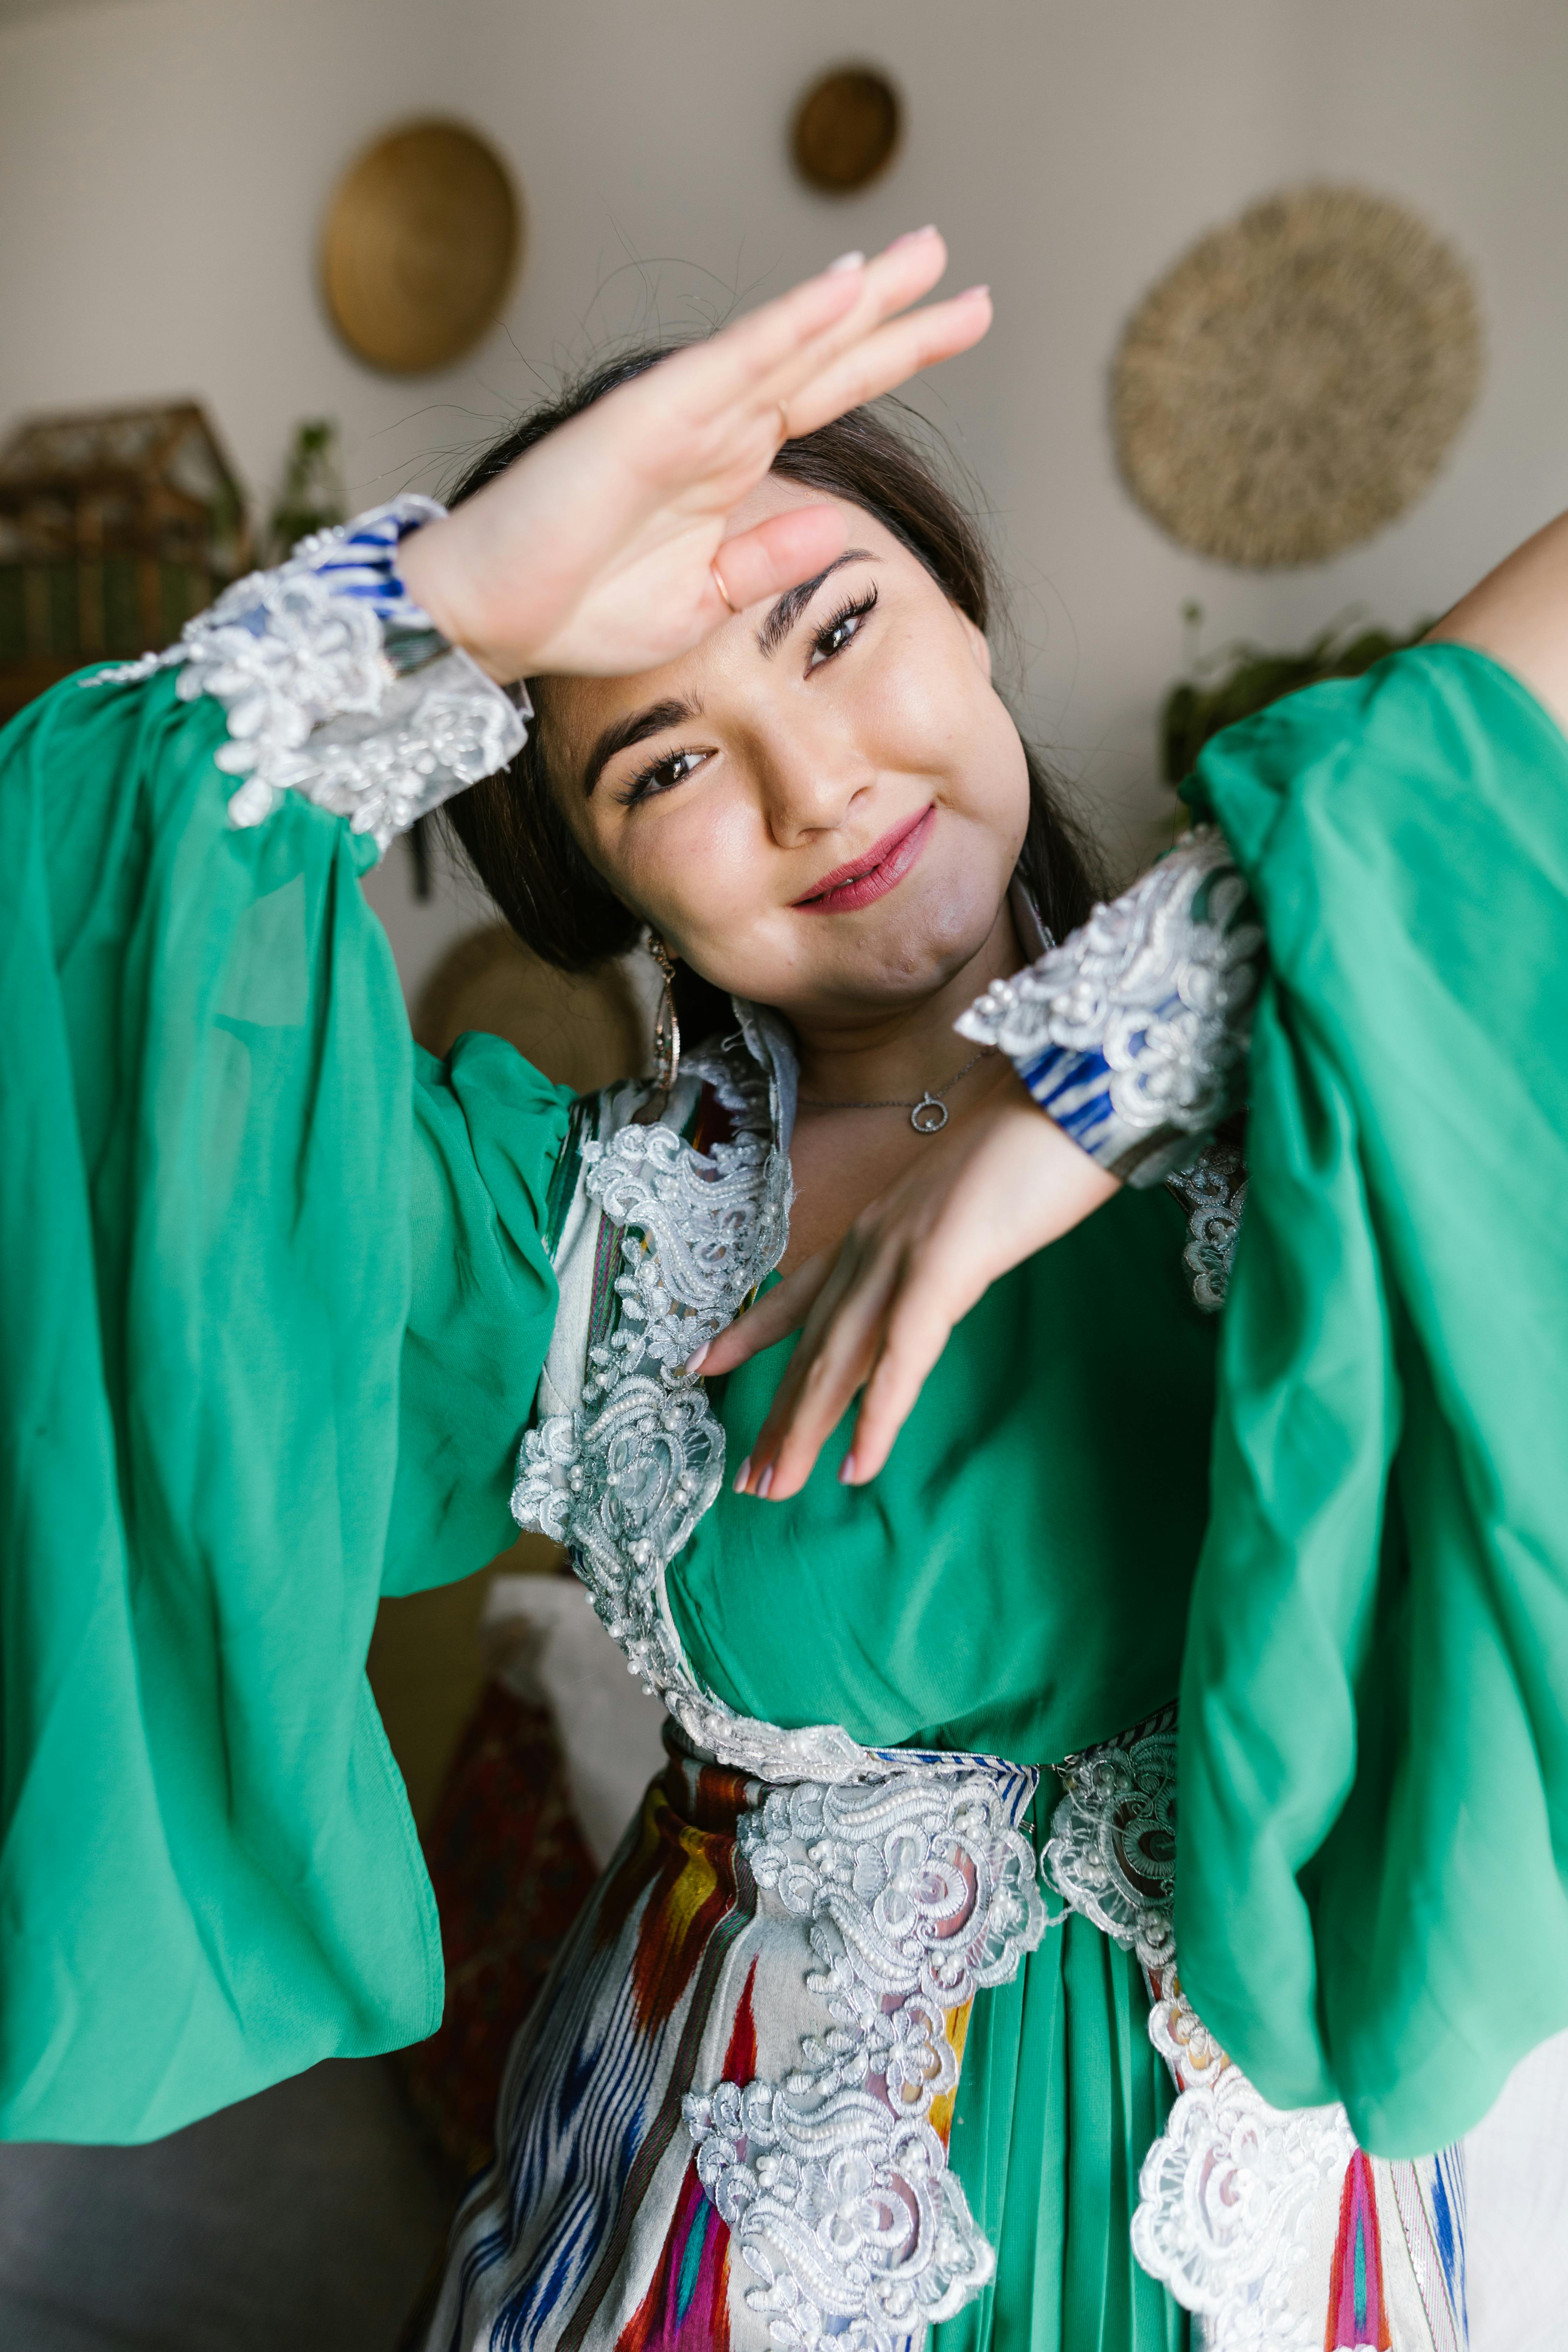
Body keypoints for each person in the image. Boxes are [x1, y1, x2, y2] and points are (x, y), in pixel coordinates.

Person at [3, 225, 1565, 2350]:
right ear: (590, 873)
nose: (812, 782)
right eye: (660, 763)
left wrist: (1091, 1084)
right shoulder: (552, 1240)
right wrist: (460, 602)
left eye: (841, 627)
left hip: (1272, 2263)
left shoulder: (1333, 1044)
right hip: (702, 2252)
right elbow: (92, 986)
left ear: (972, 610)